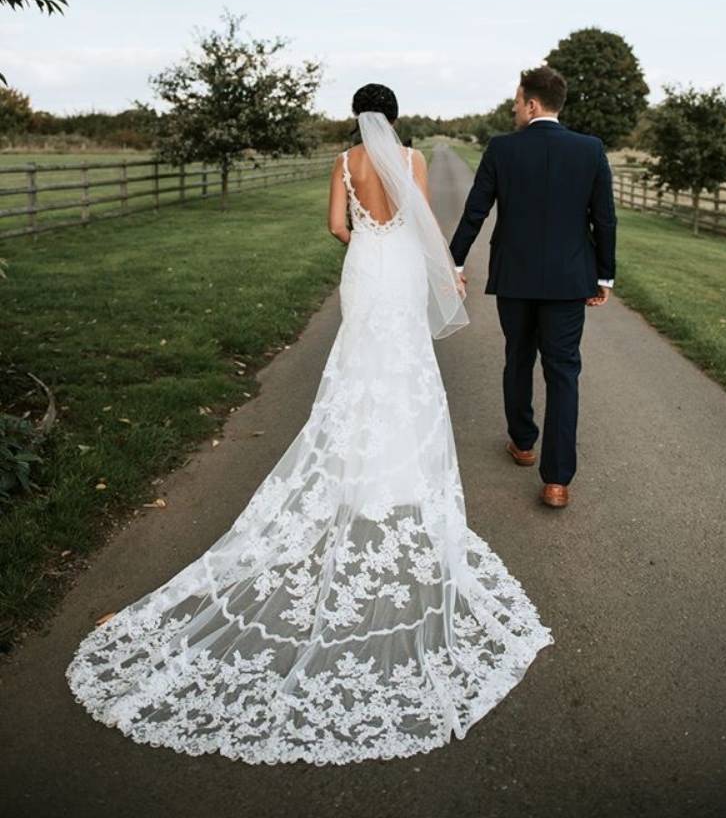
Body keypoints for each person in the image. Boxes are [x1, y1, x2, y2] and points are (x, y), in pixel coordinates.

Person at [65, 82, 554, 767]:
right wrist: (445, 267)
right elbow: (418, 223)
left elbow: (335, 228)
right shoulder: (409, 159)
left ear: (359, 117)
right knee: (403, 367)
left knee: (357, 368)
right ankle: (400, 475)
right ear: (398, 116)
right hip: (400, 269)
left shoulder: (344, 162)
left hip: (363, 268)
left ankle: (350, 472)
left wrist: (365, 235)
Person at [449, 66, 617, 509]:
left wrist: (455, 260)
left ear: (532, 104)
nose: (512, 108)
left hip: (516, 277)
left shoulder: (502, 149)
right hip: (568, 280)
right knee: (563, 373)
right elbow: (604, 218)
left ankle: (523, 443)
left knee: (518, 357)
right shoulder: (590, 149)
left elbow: (475, 211)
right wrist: (604, 275)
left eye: (516, 100)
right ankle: (557, 481)